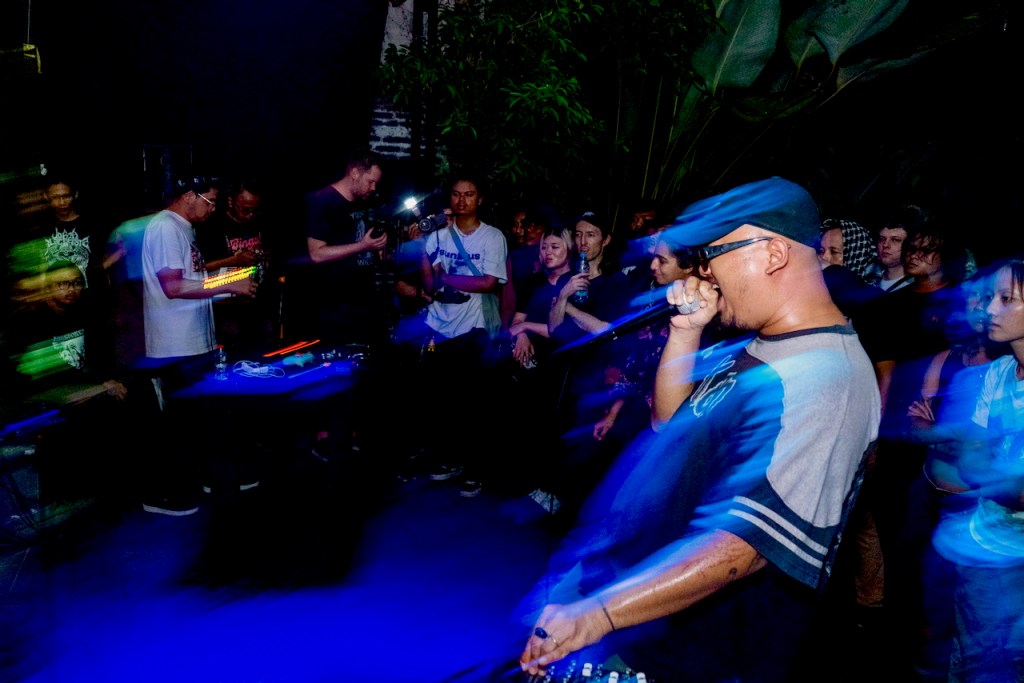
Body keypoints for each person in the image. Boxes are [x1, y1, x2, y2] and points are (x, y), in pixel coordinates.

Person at [517, 177, 880, 682]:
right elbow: (671, 425)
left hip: (700, 653)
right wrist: (685, 331)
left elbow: (742, 547)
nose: (703, 273)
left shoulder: (827, 378)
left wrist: (598, 614)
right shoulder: (761, 343)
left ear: (773, 254)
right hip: (651, 622)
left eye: (713, 256)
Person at [929, 257, 1024, 681]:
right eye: (989, 298)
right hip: (985, 547)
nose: (989, 309)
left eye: (1006, 298)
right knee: (975, 661)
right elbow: (971, 460)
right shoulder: (996, 373)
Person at [139, 175, 257, 516]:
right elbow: (173, 287)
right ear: (189, 195)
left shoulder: (184, 228)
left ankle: (206, 478)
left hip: (193, 340)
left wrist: (233, 279)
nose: (213, 209)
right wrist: (231, 285)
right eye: (210, 201)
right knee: (181, 424)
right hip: (174, 343)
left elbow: (194, 279)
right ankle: (164, 494)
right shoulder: (165, 227)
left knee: (200, 419)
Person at [395, 172, 508, 498]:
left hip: (473, 329)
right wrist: (425, 250)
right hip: (438, 328)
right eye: (457, 194)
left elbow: (488, 282)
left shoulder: (492, 237)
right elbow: (429, 285)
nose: (461, 200)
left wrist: (448, 280)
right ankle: (448, 459)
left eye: (469, 194)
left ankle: (474, 469)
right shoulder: (438, 236)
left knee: (472, 400)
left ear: (480, 199)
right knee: (440, 397)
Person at [304, 148, 389, 347]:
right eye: (370, 181)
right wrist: (362, 246)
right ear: (355, 172)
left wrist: (378, 247)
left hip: (364, 300)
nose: (374, 188)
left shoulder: (362, 202)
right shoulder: (323, 201)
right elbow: (316, 254)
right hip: (336, 304)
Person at [196, 178, 278, 357]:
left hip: (259, 304)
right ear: (231, 202)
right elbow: (200, 267)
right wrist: (234, 260)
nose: (250, 215)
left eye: (254, 210)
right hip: (227, 307)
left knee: (263, 353)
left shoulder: (260, 221)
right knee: (233, 354)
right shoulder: (212, 226)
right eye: (245, 210)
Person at [817, 217, 883, 325]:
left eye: (834, 252)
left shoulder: (875, 301)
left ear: (857, 255)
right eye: (822, 251)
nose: (824, 257)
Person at [863, 204, 928, 293]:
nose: (885, 245)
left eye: (896, 240)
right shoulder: (867, 272)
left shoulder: (918, 285)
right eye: (882, 239)